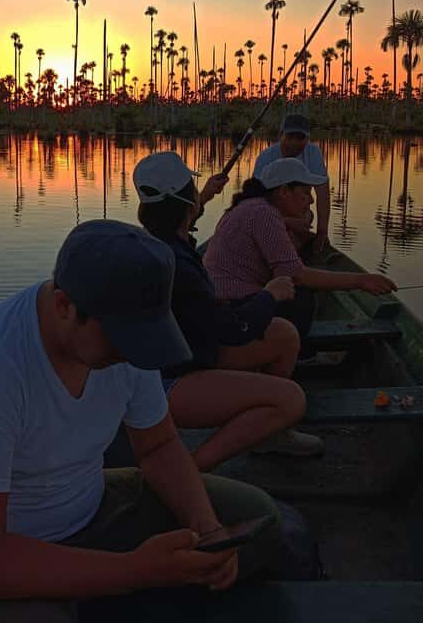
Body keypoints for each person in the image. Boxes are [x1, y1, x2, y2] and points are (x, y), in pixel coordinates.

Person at [0, 219, 283, 622]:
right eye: (122, 339)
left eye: (145, 336)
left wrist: (207, 529)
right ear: (64, 307)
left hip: (92, 508)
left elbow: (159, 447)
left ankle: (115, 589)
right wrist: (137, 572)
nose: (133, 353)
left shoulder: (130, 337)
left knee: (253, 520)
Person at [133, 151, 320, 461]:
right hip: (168, 383)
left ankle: (269, 435)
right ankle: (192, 469)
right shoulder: (178, 265)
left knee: (283, 335)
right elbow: (234, 330)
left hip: (189, 353)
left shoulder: (159, 241)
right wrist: (269, 294)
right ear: (185, 202)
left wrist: (204, 196)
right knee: (291, 400)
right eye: (192, 191)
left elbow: (217, 322)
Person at [203, 159, 396, 337]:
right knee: (301, 298)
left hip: (219, 302)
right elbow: (296, 275)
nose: (311, 201)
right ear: (284, 191)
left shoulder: (251, 207)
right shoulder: (263, 213)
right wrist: (362, 281)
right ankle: (298, 356)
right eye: (306, 193)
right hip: (232, 306)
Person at [253, 114, 330, 255]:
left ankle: (291, 250)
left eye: (300, 138)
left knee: (307, 217)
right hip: (268, 213)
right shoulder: (266, 157)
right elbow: (255, 201)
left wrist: (322, 231)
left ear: (307, 139)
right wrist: (284, 222)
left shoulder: (313, 153)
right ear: (280, 135)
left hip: (297, 212)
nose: (294, 142)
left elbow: (323, 192)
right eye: (290, 136)